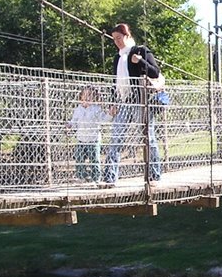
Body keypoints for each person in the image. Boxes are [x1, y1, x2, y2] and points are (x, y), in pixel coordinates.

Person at [102, 22, 164, 184]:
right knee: (116, 138)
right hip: (124, 102)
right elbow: (116, 82)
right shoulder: (118, 57)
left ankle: (155, 174)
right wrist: (113, 102)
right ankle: (109, 178)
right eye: (114, 39)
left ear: (127, 36)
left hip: (142, 101)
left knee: (148, 137)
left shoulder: (140, 50)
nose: (117, 42)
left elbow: (155, 72)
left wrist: (141, 61)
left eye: (119, 38)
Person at [66, 86, 109, 182]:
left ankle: (96, 178)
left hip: (93, 139)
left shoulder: (96, 109)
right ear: (80, 97)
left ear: (94, 98)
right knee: (79, 159)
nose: (86, 98)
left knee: (94, 159)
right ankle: (81, 177)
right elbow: (74, 122)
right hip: (81, 139)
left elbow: (104, 120)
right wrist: (70, 125)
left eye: (90, 95)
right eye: (84, 95)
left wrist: (110, 115)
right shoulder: (78, 109)